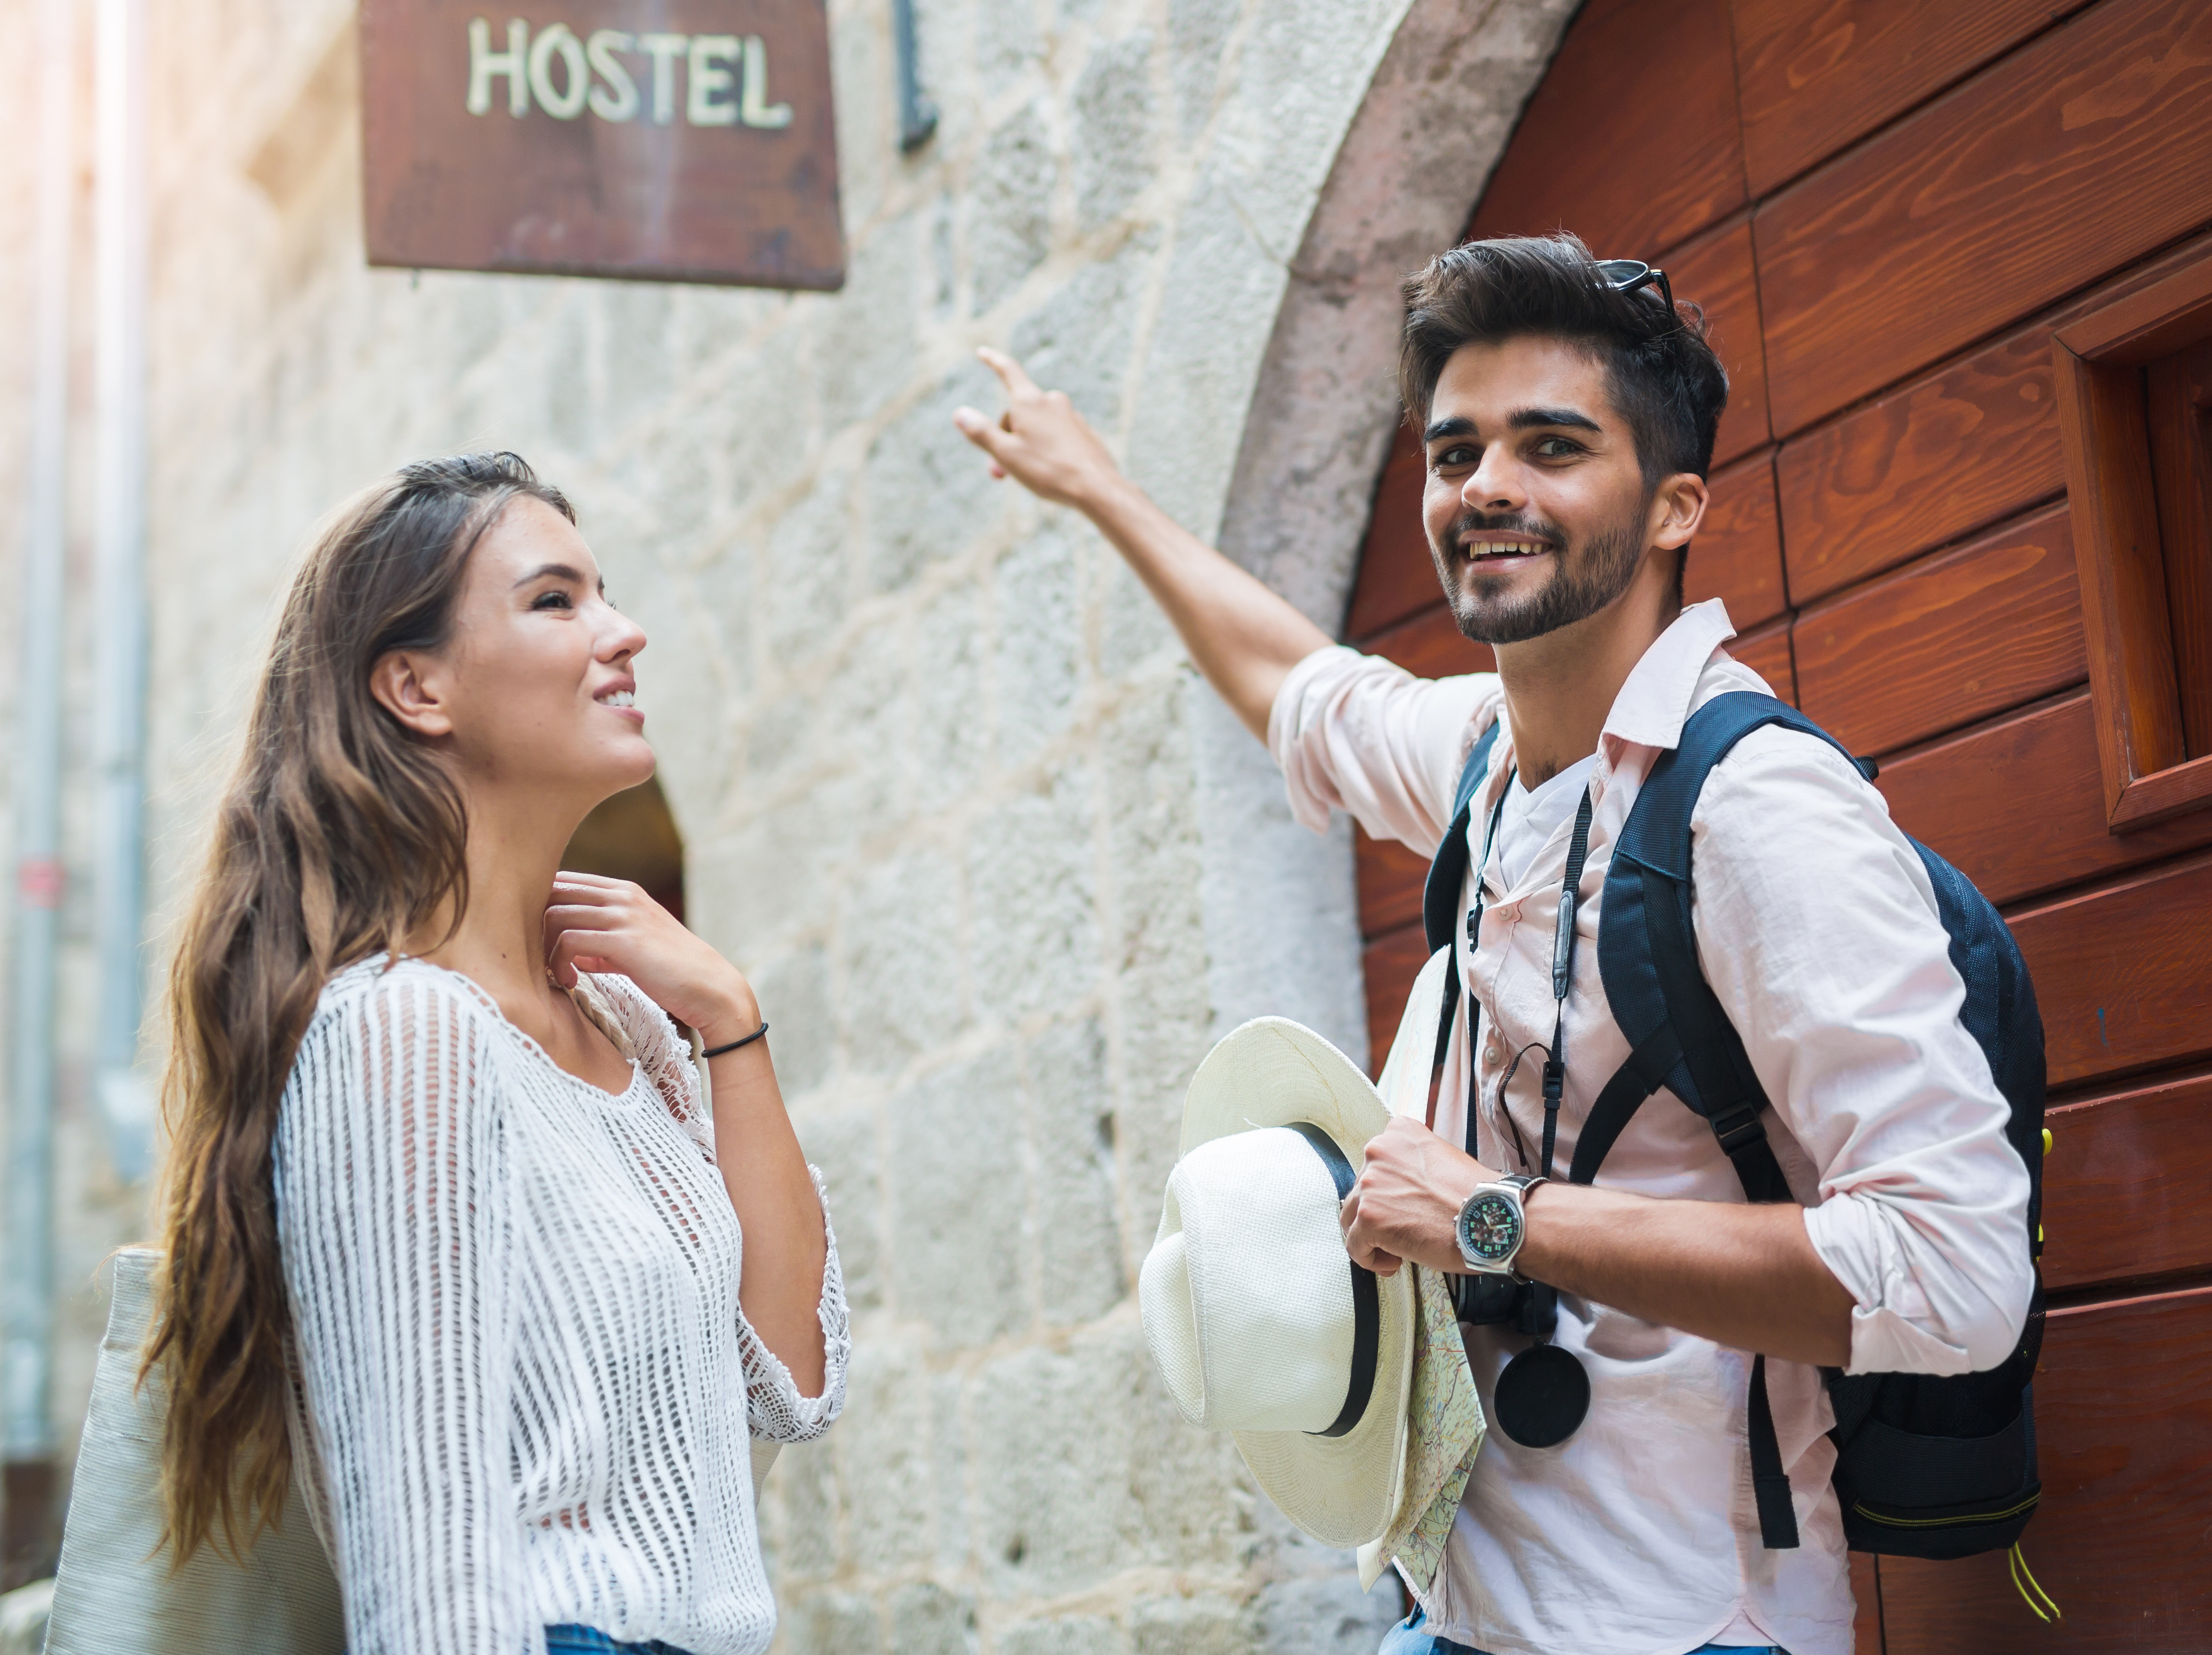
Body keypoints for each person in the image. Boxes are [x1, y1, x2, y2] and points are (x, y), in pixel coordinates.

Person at [954, 235, 2033, 1655]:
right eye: (1455, 451)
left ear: (1672, 506)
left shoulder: (1758, 810)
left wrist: (1495, 1220)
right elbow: (1301, 687)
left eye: (1553, 445)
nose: (1489, 488)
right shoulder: (1486, 758)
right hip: (1455, 1602)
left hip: (1683, 1621)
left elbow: (1957, 1279)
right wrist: (1101, 492)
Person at [145, 453, 844, 1655]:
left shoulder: (634, 1031)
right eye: (555, 600)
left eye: (602, 593)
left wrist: (729, 1020)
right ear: (418, 687)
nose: (624, 633)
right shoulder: (400, 1035)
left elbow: (788, 1384)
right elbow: (430, 1581)